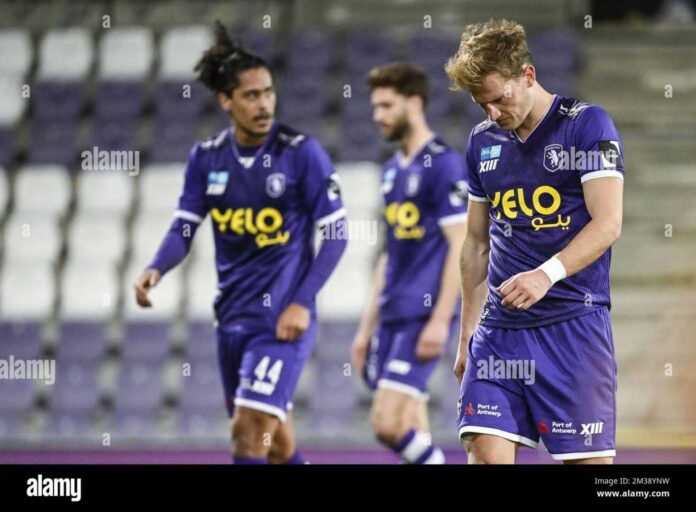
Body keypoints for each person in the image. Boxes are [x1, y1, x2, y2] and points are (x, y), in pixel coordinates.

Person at [134, 21, 347, 464]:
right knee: (277, 445)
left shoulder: (300, 153)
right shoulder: (206, 158)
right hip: (231, 319)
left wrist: (301, 302)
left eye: (268, 92)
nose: (265, 103)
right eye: (252, 95)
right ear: (225, 100)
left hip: (280, 323)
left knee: (248, 436)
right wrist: (156, 267)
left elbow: (337, 234)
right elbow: (184, 227)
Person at [445, 19, 624, 463]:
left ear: (527, 75)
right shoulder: (482, 142)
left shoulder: (588, 126)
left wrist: (546, 275)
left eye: (499, 99)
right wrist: (467, 330)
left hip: (573, 327)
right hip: (500, 331)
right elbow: (475, 244)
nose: (492, 114)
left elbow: (608, 223)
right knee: (485, 453)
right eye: (481, 104)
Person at [352, 62, 468, 464]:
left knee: (385, 424)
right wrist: (365, 329)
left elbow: (460, 246)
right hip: (391, 315)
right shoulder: (389, 173)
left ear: (414, 103)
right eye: (375, 106)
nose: (377, 116)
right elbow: (388, 254)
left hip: (421, 316)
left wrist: (440, 318)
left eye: (386, 105)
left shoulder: (444, 164)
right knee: (414, 426)